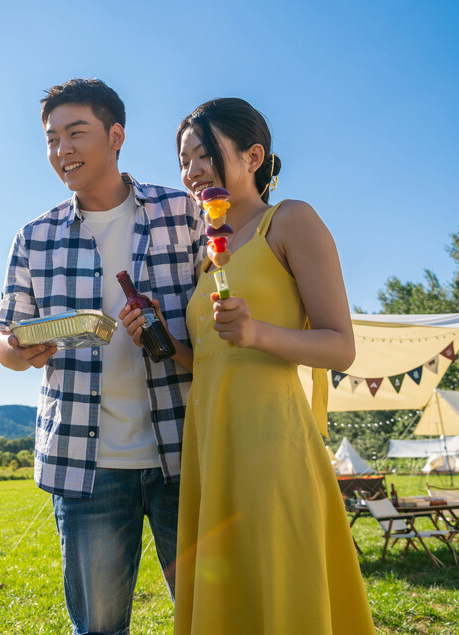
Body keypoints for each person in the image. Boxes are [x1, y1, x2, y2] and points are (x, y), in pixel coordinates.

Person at [0, 78, 204, 635]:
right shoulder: (34, 237)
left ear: (116, 135)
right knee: (100, 628)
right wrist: (20, 349)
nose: (62, 149)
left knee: (210, 616)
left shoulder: (182, 212)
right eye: (51, 138)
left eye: (75, 133)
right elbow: (5, 342)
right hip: (86, 465)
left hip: (186, 451)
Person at [171, 98, 375, 633]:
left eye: (204, 156)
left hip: (270, 440)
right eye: (184, 160)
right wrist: (162, 343)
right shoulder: (206, 255)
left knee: (278, 582)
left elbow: (340, 347)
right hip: (210, 442)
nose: (192, 172)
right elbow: (216, 359)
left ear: (254, 155)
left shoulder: (290, 221)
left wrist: (258, 332)